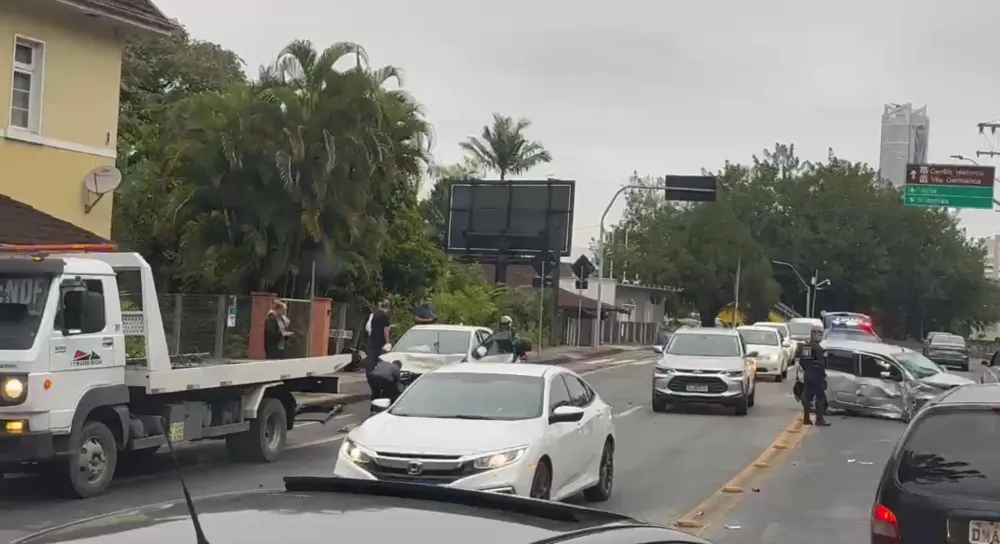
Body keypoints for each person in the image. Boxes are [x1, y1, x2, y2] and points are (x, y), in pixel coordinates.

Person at [797, 326, 830, 426]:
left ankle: (806, 419)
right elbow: (821, 364)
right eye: (819, 334)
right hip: (817, 376)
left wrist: (808, 370)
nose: (820, 337)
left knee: (807, 396)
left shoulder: (806, 346)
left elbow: (803, 361)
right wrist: (822, 376)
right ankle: (819, 419)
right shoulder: (818, 349)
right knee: (820, 397)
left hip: (808, 375)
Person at [365, 298, 392, 373]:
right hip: (380, 339)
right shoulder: (384, 316)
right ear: (388, 307)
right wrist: (387, 341)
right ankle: (377, 372)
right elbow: (385, 330)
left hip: (373, 337)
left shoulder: (375, 315)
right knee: (379, 356)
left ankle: (369, 371)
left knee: (372, 355)